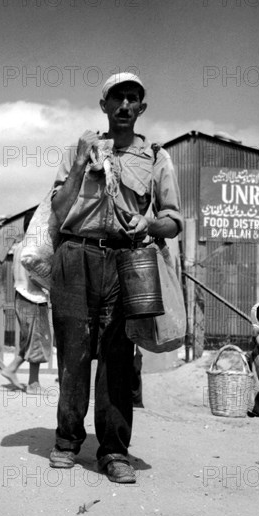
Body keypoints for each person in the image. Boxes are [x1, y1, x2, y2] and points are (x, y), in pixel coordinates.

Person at [48, 73, 183, 483]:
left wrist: (148, 222)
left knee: (118, 359)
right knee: (73, 355)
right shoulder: (83, 148)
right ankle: (67, 441)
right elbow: (58, 208)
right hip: (76, 255)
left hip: (128, 262)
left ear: (141, 109)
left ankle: (114, 451)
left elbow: (173, 220)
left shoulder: (157, 156)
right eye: (117, 99)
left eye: (133, 99)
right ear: (104, 106)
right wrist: (79, 162)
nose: (125, 105)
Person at [0, 210, 53, 394]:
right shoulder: (35, 246)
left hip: (21, 296)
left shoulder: (21, 245)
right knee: (37, 340)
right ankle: (33, 384)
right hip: (33, 297)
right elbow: (35, 274)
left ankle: (12, 368)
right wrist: (50, 285)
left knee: (29, 340)